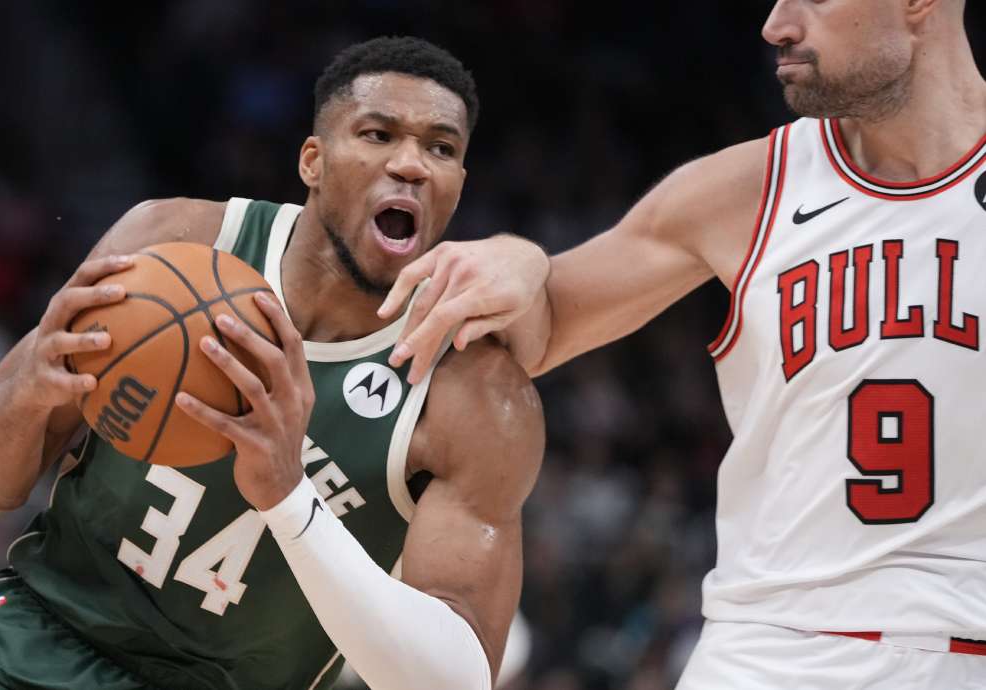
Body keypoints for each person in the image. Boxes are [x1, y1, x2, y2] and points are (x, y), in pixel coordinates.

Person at [0, 37, 543, 690]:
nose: (412, 165)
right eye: (378, 134)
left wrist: (290, 498)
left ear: (459, 183)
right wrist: (28, 396)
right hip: (32, 644)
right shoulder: (165, 246)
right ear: (313, 161)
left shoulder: (475, 396)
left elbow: (453, 684)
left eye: (442, 148)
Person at [379, 1, 986, 688]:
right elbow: (542, 323)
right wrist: (519, 258)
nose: (776, 24)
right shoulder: (748, 189)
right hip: (771, 652)